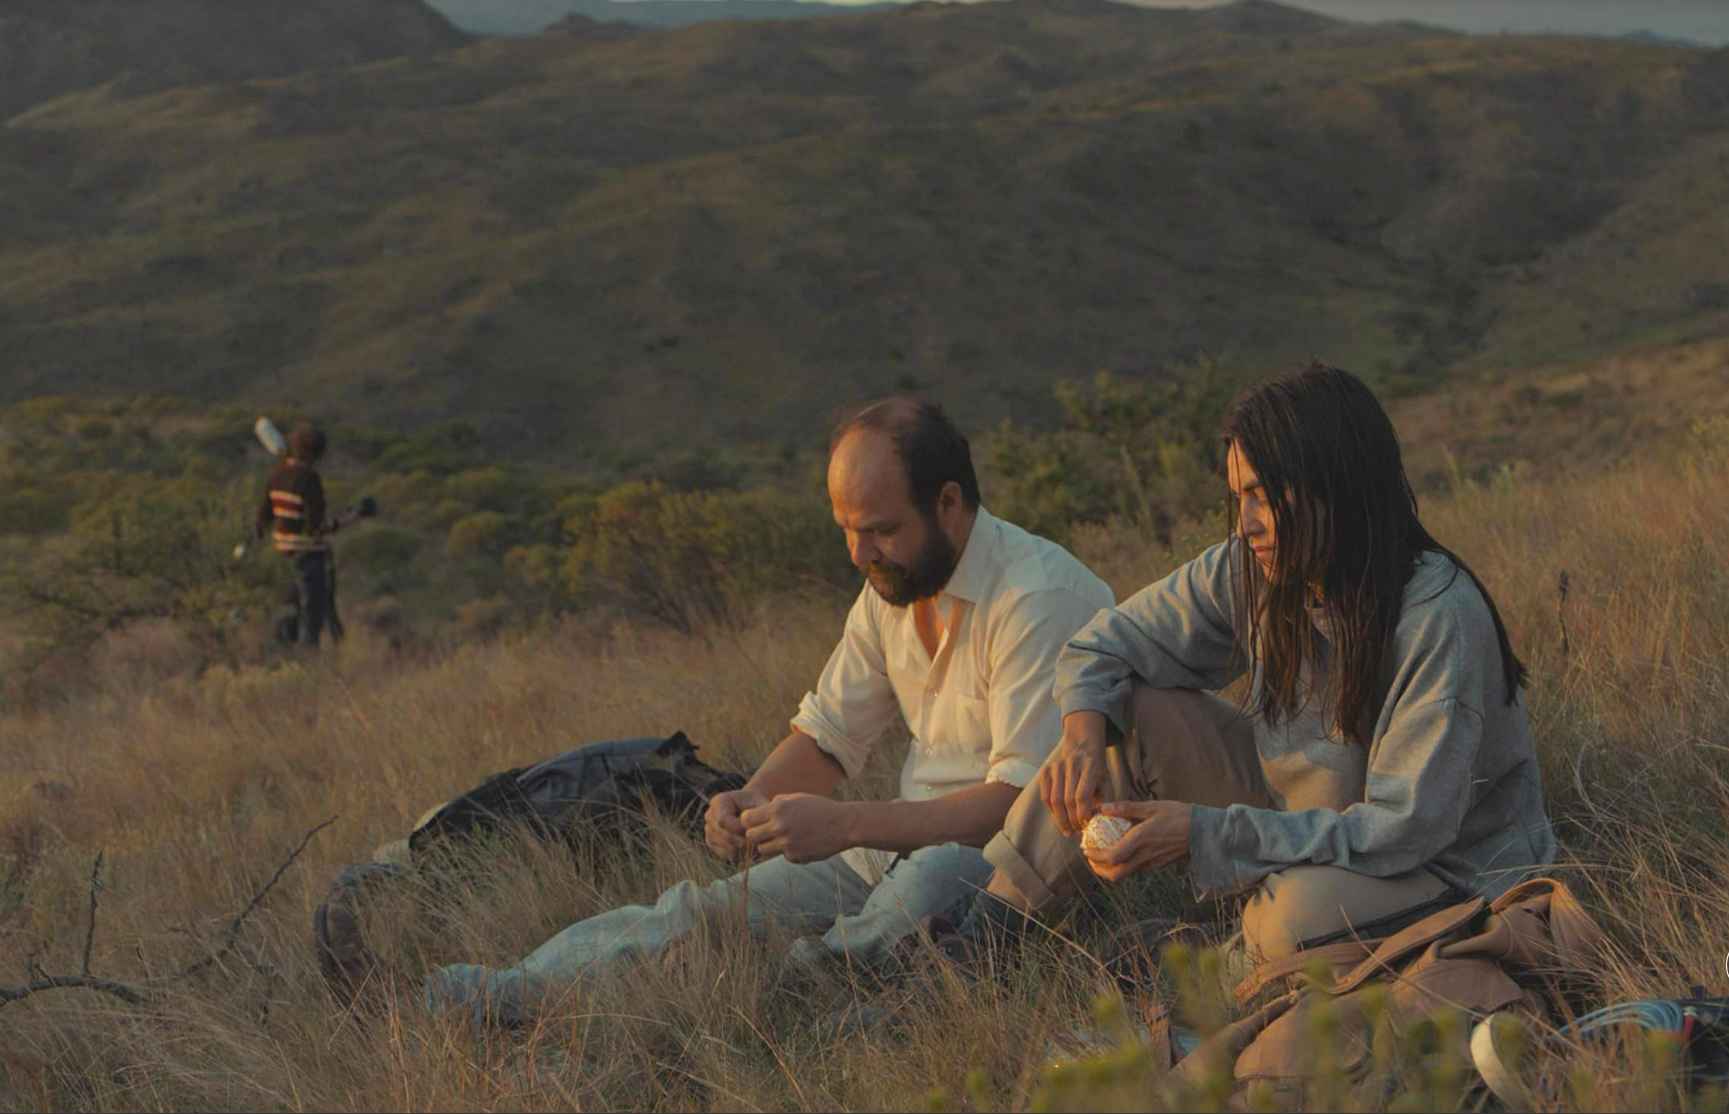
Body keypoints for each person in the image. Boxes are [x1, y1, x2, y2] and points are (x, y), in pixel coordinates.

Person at [314, 394, 1114, 1024]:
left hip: (1013, 868)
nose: (859, 554)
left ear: (948, 504)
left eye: (879, 530)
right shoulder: (893, 585)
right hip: (889, 848)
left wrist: (846, 825)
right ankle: (450, 1003)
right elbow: (828, 737)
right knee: (696, 913)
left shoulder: (1035, 596)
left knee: (928, 886)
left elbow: (1016, 809)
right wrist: (752, 799)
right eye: (844, 530)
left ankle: (778, 993)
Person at [945, 362, 1555, 968]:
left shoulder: (1437, 616)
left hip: (1440, 870)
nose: (1247, 523)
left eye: (1264, 495)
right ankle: (980, 946)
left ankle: (1213, 963)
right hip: (1308, 822)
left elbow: (1405, 833)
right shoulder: (1251, 566)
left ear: (1336, 486)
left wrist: (1205, 833)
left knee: (1295, 918)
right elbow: (1102, 645)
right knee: (1122, 714)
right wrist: (1081, 739)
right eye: (1239, 496)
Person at [254, 423, 355, 650]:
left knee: (288, 615)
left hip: (281, 557)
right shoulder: (310, 480)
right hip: (309, 558)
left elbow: (263, 518)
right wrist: (349, 518)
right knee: (311, 620)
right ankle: (308, 669)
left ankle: (282, 664)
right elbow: (315, 528)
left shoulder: (275, 475)